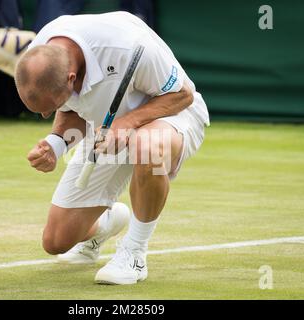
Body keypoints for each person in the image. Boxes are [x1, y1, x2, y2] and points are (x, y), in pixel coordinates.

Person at [14, 11, 210, 285]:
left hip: (171, 114)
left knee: (145, 145)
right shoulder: (43, 53)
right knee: (56, 240)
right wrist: (57, 143)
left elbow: (183, 94)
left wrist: (129, 122)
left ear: (71, 78)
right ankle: (108, 223)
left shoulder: (127, 46)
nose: (47, 116)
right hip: (111, 127)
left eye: (52, 107)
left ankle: (134, 254)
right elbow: (74, 110)